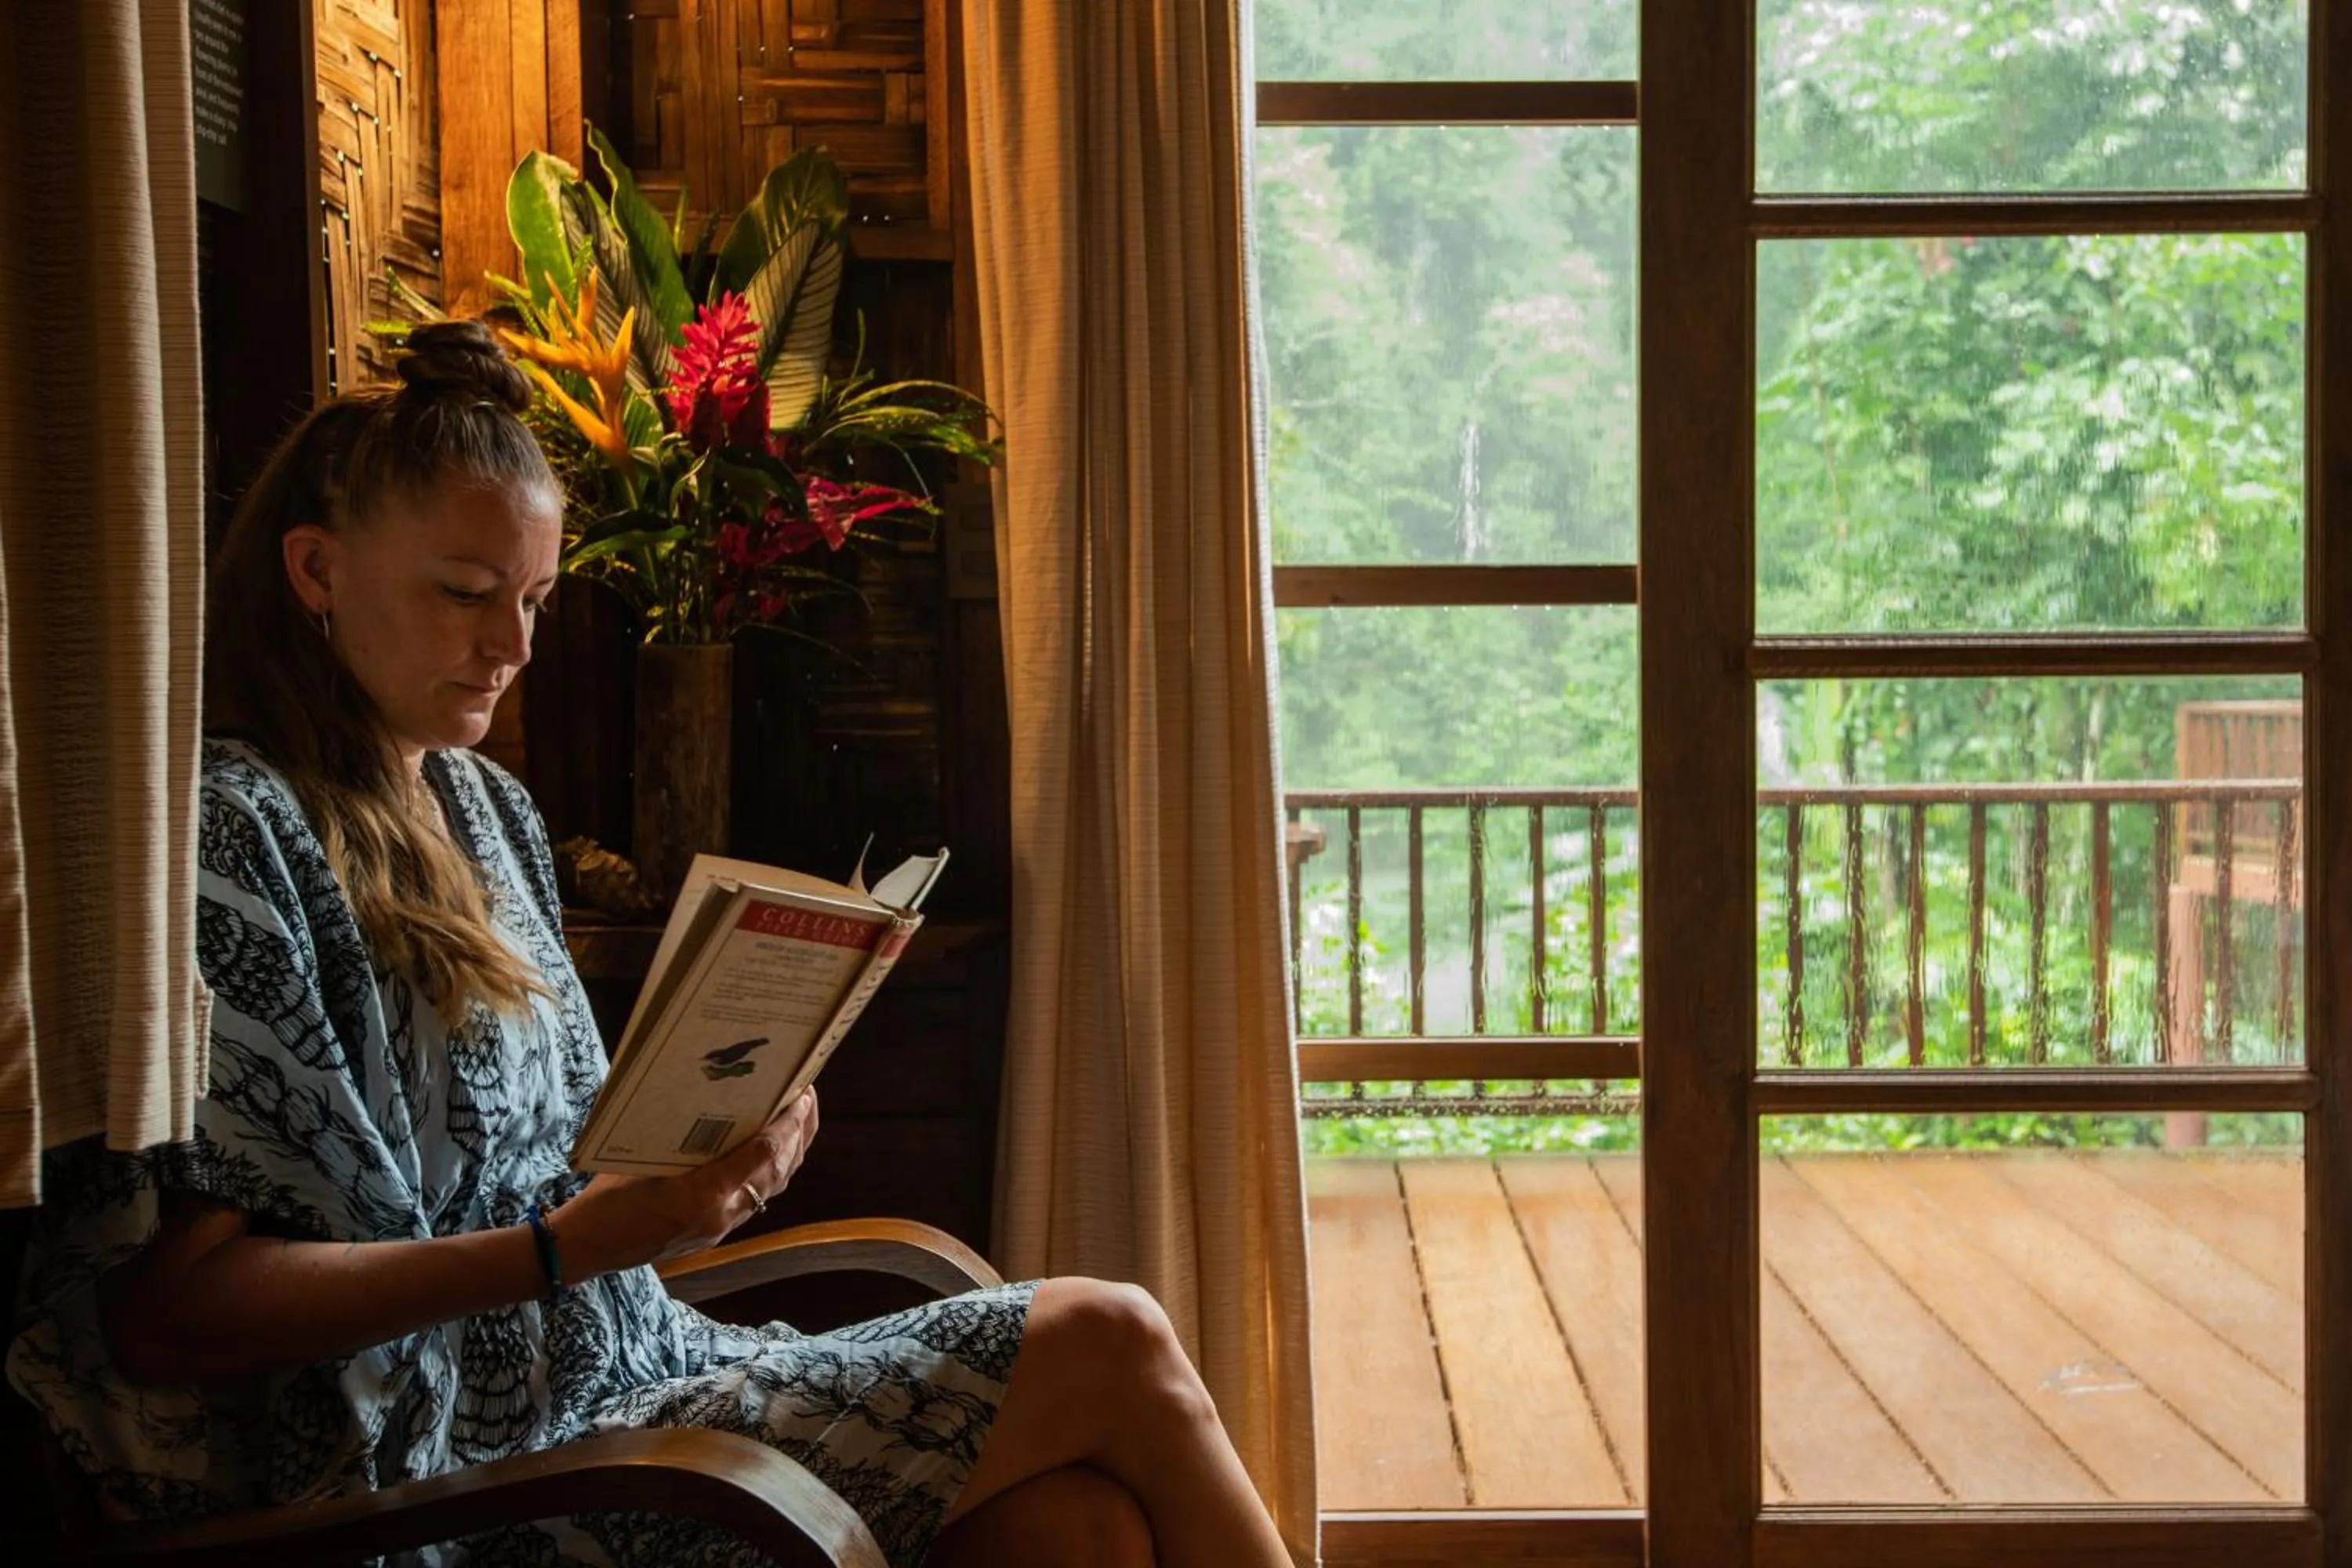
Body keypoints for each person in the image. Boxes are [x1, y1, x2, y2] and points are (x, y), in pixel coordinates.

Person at [7, 321, 1294, 1568]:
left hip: (635, 1379)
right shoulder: (229, 839)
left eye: (534, 599)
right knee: (1108, 1335)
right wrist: (574, 1247)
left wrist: (717, 1153)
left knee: (1078, 1532)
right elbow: (170, 1314)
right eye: (464, 595)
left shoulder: (480, 806)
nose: (511, 647)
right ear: (314, 571)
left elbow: (568, 1160)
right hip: (447, 1478)